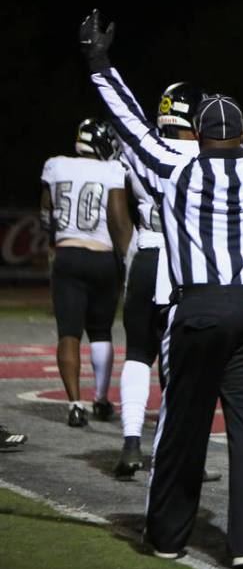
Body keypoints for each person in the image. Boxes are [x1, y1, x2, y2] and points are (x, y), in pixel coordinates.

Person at [80, 8, 243, 569]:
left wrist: (99, 62)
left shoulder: (176, 170)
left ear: (199, 137)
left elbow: (131, 125)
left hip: (199, 308)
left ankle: (168, 535)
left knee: (182, 427)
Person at [114, 82, 220, 483]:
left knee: (138, 354)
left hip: (145, 254)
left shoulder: (141, 149)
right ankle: (176, 454)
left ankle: (129, 444)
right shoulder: (208, 155)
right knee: (185, 365)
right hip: (182, 263)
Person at [41, 118, 130, 427]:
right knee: (101, 331)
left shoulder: (56, 166)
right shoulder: (113, 170)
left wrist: (55, 247)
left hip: (67, 255)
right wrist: (128, 258)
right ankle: (101, 399)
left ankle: (75, 405)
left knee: (68, 333)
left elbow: (45, 213)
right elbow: (119, 220)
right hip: (102, 257)